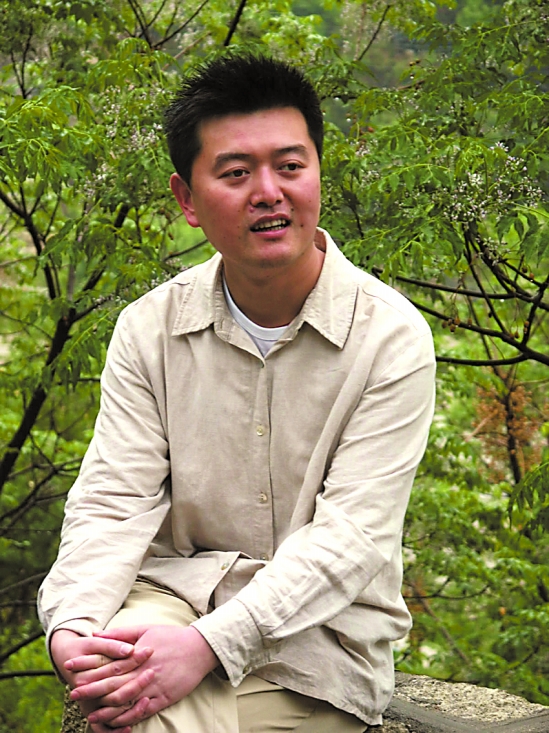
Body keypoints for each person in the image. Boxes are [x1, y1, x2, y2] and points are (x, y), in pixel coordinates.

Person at [38, 55, 436, 733]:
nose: (269, 192)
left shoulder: (389, 337)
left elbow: (351, 538)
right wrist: (71, 625)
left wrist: (205, 645)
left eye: (290, 165)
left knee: (142, 717)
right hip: (172, 600)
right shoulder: (149, 328)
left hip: (316, 642)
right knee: (121, 694)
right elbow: (112, 499)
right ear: (187, 200)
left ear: (318, 171)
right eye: (235, 173)